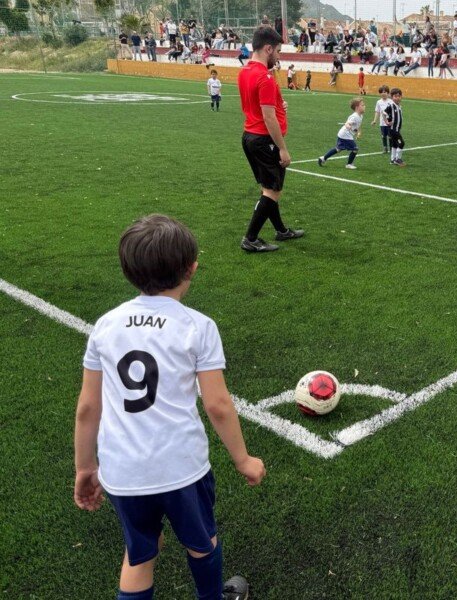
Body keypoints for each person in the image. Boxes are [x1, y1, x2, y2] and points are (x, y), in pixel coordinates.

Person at [73, 214, 263, 600]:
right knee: (201, 542)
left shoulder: (106, 325)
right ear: (192, 267)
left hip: (123, 471)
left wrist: (84, 467)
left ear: (128, 271)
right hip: (182, 468)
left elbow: (87, 408)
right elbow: (218, 405)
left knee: (139, 556)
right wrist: (243, 459)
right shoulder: (198, 326)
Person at [237, 26, 303, 253]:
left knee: (269, 187)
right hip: (264, 140)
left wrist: (277, 104)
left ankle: (281, 231)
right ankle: (250, 238)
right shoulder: (263, 76)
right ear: (267, 48)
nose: (279, 55)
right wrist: (283, 149)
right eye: (277, 50)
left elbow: (257, 104)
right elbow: (267, 116)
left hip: (250, 137)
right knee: (272, 191)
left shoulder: (245, 71)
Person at [318, 97, 365, 170]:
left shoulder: (360, 116)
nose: (364, 106)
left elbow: (358, 125)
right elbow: (347, 123)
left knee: (338, 149)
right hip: (346, 135)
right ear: (357, 107)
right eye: (362, 105)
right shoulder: (354, 116)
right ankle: (349, 164)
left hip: (343, 134)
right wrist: (348, 126)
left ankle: (323, 158)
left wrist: (359, 132)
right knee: (355, 149)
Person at [385, 87, 405, 166]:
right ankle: (398, 159)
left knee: (394, 144)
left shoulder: (399, 106)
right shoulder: (391, 105)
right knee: (401, 143)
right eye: (395, 96)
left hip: (397, 129)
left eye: (399, 96)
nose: (397, 98)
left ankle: (392, 159)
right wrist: (387, 121)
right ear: (392, 97)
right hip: (393, 130)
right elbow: (384, 113)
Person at [372, 85, 391, 154]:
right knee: (383, 136)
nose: (383, 93)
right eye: (381, 92)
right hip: (382, 123)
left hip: (390, 122)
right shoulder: (379, 102)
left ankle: (391, 148)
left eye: (385, 92)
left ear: (388, 93)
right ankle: (385, 148)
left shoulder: (391, 101)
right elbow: (377, 112)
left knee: (390, 136)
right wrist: (374, 120)